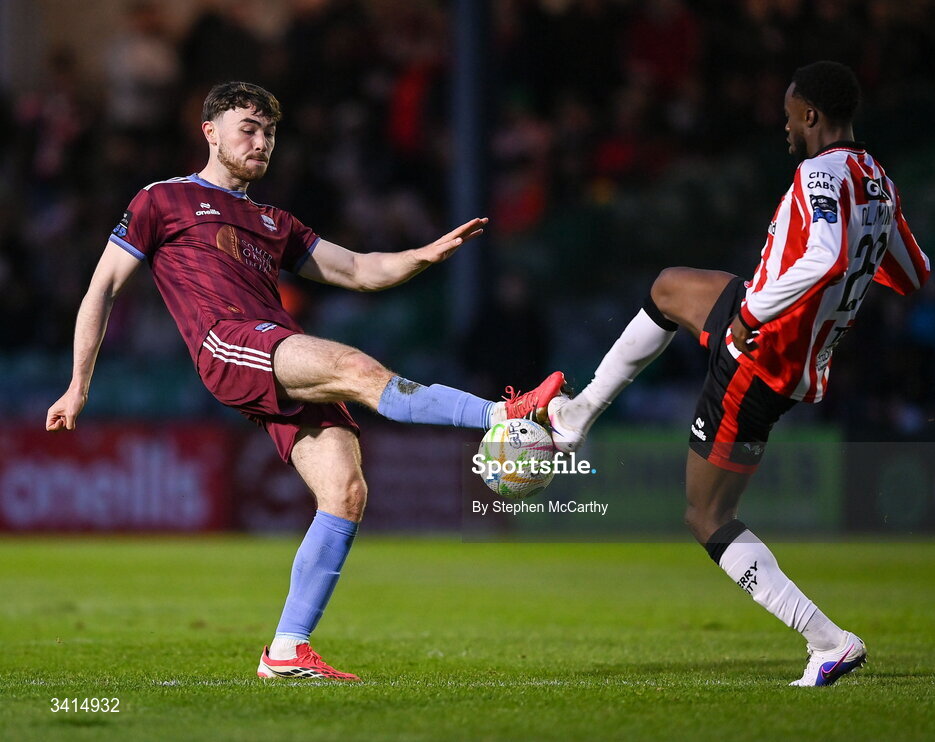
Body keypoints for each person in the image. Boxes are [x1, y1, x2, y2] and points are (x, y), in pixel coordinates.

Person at [45, 82, 564, 681]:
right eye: (249, 128)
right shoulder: (163, 200)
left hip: (278, 353)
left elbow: (359, 270)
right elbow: (102, 287)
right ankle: (504, 416)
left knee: (345, 493)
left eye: (269, 132)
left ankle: (286, 650)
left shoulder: (274, 221)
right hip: (228, 342)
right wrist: (77, 386)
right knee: (355, 368)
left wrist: (422, 254)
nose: (261, 141)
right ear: (210, 131)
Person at [548, 61, 930, 686]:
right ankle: (577, 415)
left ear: (810, 115)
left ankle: (827, 639)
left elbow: (826, 253)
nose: (783, 127)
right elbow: (913, 275)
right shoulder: (878, 180)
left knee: (706, 517)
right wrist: (848, 285)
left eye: (788, 115)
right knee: (669, 288)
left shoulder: (818, 174)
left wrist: (755, 310)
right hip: (786, 335)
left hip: (762, 351)